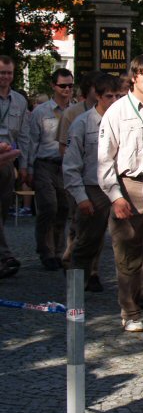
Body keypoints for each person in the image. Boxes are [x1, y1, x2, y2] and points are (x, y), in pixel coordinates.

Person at [98, 55, 143, 331]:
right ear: (134, 77)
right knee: (128, 254)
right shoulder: (117, 111)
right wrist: (115, 195)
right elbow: (105, 158)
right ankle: (130, 311)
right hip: (130, 185)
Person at [63, 74, 121, 292]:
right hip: (93, 189)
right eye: (109, 96)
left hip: (119, 187)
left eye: (118, 96)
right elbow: (71, 165)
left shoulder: (124, 121)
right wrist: (81, 197)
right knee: (86, 245)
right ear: (97, 96)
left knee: (129, 243)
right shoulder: (82, 123)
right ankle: (75, 294)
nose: (114, 101)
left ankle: (137, 295)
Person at [24, 67, 74, 270]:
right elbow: (31, 142)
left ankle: (59, 251)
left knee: (63, 208)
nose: (67, 90)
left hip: (66, 165)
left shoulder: (75, 110)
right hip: (44, 163)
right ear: (53, 86)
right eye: (62, 86)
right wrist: (28, 169)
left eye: (70, 86)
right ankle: (46, 251)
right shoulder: (41, 112)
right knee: (48, 206)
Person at [0, 56, 28, 278]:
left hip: (8, 162)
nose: (6, 77)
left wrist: (25, 166)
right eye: (2, 73)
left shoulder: (19, 101)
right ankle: (5, 255)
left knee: (3, 210)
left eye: (9, 73)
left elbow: (24, 136)